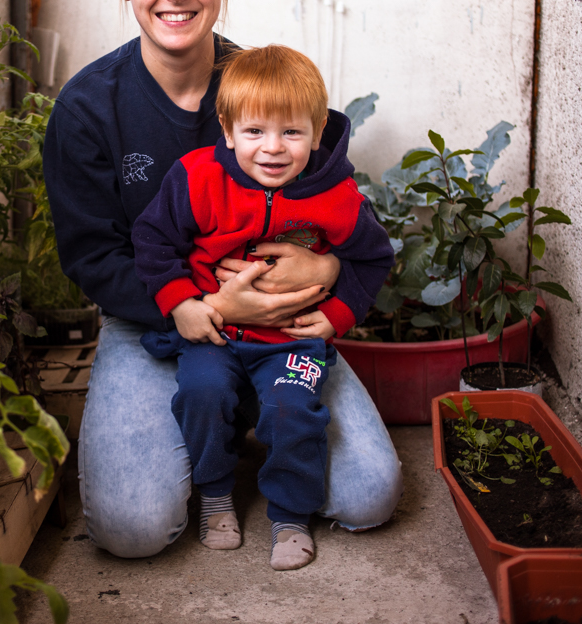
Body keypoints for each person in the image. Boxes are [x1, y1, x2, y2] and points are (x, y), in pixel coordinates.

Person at [42, 0, 404, 561]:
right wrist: (200, 305)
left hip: (282, 322)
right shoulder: (90, 109)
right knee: (132, 529)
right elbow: (93, 257)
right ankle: (218, 417)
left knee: (369, 496)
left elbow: (337, 208)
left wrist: (328, 271)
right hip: (156, 319)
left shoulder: (266, 90)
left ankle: (253, 409)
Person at [131, 44, 395, 570]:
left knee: (293, 411)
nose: (272, 149)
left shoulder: (337, 197)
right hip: (217, 332)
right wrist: (182, 302)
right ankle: (214, 493)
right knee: (203, 393)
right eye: (255, 132)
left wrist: (339, 312)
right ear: (227, 130)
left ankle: (291, 516)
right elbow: (153, 240)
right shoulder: (197, 178)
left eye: (292, 133)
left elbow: (373, 258)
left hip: (291, 339)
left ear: (318, 132)